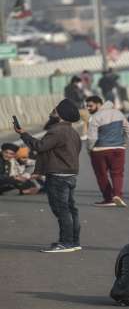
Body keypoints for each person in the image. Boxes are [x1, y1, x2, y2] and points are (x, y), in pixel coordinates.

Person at [16, 99, 82, 253]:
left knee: (61, 209)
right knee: (71, 209)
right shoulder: (73, 132)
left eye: (55, 109)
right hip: (70, 173)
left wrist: (24, 135)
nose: (52, 111)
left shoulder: (57, 130)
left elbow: (40, 146)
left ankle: (66, 243)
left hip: (58, 175)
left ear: (61, 114)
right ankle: (74, 241)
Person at [86, 96, 129, 208]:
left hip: (100, 150)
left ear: (99, 104)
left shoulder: (95, 117)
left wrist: (90, 149)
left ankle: (108, 199)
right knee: (117, 173)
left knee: (101, 175)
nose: (88, 108)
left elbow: (92, 138)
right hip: (118, 149)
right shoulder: (118, 113)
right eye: (87, 106)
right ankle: (117, 195)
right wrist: (125, 143)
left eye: (90, 105)